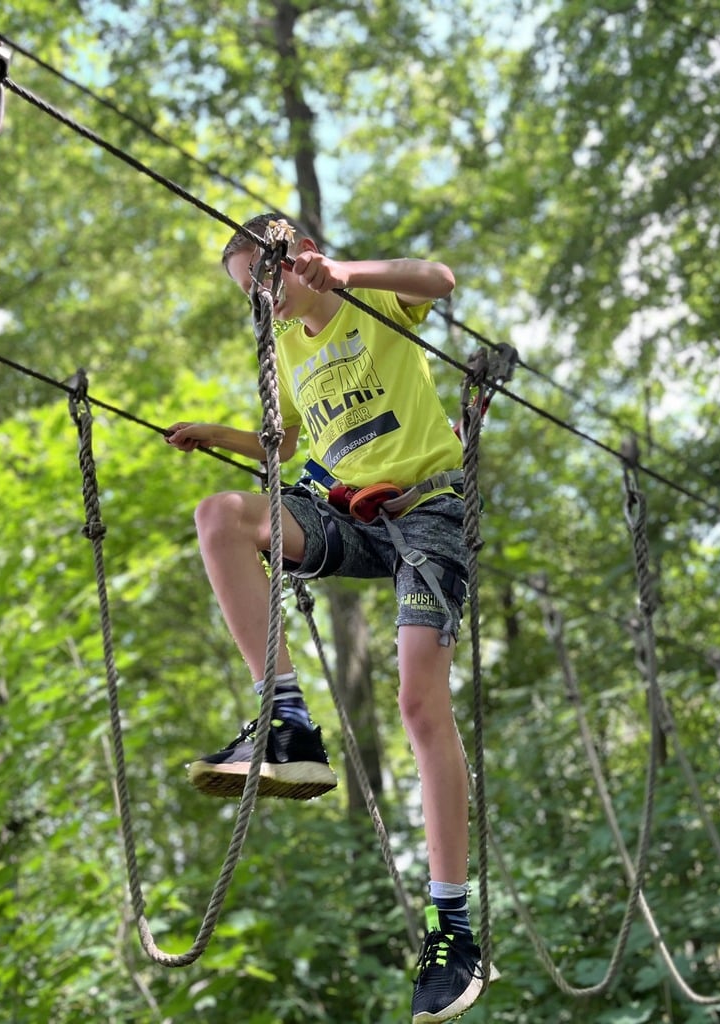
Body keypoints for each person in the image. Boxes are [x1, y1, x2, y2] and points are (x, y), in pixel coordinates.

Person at [164, 214, 493, 1023]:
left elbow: (439, 279)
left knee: (419, 703)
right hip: (348, 514)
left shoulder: (371, 302)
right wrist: (219, 436)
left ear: (300, 256)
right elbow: (286, 445)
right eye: (248, 292)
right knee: (220, 515)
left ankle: (452, 930)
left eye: (265, 277)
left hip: (426, 512)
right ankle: (286, 721)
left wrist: (346, 272)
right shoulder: (285, 350)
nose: (262, 299)